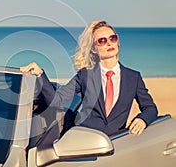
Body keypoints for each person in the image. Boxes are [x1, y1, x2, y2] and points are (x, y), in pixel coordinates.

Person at [20, 20, 158, 136]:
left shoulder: (133, 77)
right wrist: (40, 74)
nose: (109, 43)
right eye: (102, 41)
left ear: (117, 41)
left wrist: (142, 119)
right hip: (83, 142)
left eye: (112, 38)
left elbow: (150, 108)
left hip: (115, 144)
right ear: (93, 48)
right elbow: (56, 100)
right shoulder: (85, 75)